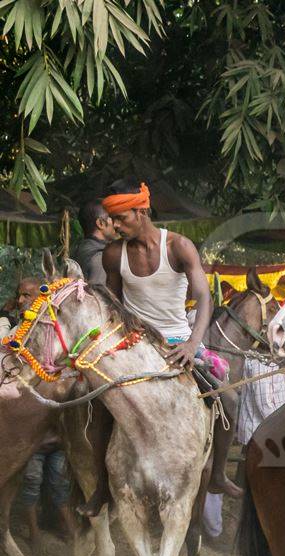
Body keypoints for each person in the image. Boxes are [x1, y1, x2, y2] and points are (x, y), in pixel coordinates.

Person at [78, 179, 239, 517]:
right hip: (137, 344)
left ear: (142, 210)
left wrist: (193, 344)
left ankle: (219, 474)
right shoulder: (113, 255)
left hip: (180, 342)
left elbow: (204, 298)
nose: (116, 226)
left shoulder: (179, 247)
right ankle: (102, 487)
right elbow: (114, 305)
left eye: (121, 218)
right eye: (112, 220)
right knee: (100, 406)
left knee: (228, 396)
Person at [13, 278, 75, 551]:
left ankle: (68, 528)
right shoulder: (15, 336)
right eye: (19, 296)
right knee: (31, 482)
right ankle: (34, 532)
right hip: (29, 429)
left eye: (27, 295)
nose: (20, 301)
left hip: (57, 428)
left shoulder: (60, 336)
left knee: (60, 481)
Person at [72, 199, 117, 284]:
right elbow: (99, 294)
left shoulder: (79, 248)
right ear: (101, 223)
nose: (118, 223)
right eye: (114, 218)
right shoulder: (101, 257)